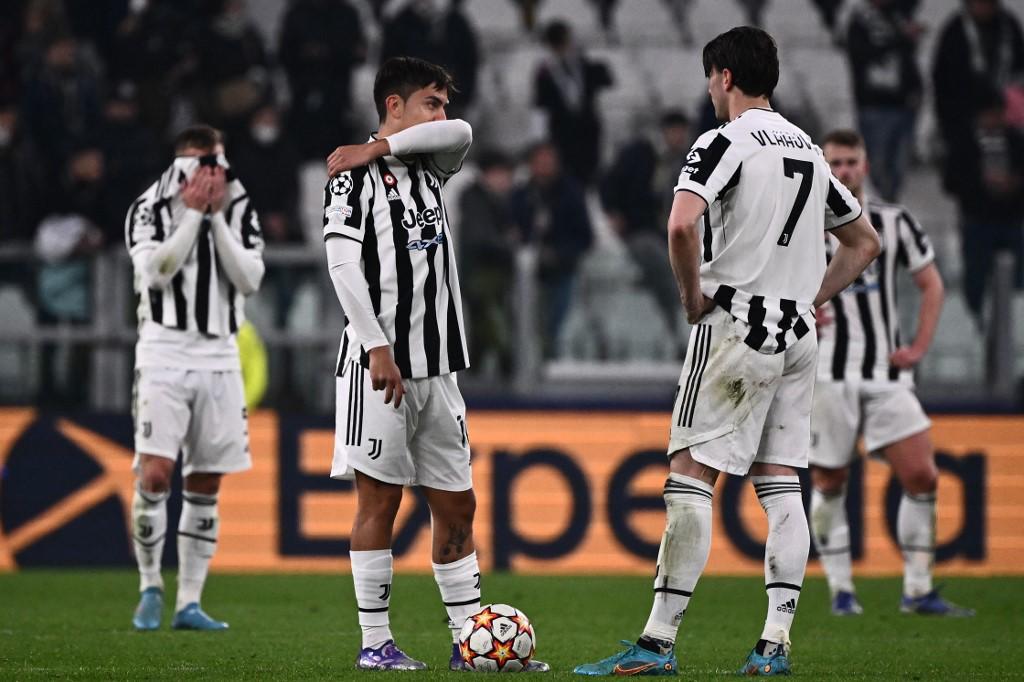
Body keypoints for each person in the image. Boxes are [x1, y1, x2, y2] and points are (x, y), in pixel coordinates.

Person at [574, 27, 880, 677]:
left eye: (711, 78)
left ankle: (657, 644)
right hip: (797, 335)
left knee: (690, 474)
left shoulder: (724, 142)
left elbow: (681, 223)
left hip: (736, 325)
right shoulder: (806, 148)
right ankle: (773, 645)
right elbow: (865, 242)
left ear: (723, 77)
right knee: (780, 483)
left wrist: (692, 298)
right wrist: (810, 296)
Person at [322, 56, 548, 673]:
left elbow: (464, 134)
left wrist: (380, 147)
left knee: (457, 506)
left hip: (439, 369)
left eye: (444, 103)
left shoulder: (430, 165)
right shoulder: (349, 180)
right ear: (393, 105)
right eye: (430, 101)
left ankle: (468, 641)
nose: (442, 114)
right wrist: (376, 346)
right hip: (380, 368)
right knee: (380, 504)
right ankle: (375, 644)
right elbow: (342, 267)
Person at [809, 129, 974, 618]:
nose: (843, 171)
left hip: (886, 373)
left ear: (865, 166)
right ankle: (841, 590)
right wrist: (800, 305)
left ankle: (918, 589)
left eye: (851, 162)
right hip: (826, 373)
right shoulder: (801, 224)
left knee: (922, 474)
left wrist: (919, 346)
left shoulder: (893, 222)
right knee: (830, 480)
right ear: (823, 166)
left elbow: (932, 284)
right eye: (834, 163)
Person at [126, 124, 265, 632]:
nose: (213, 176)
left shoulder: (239, 204)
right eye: (204, 164)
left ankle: (188, 601)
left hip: (221, 354)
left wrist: (217, 220)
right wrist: (191, 218)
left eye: (219, 164)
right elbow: (155, 273)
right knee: (156, 474)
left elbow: (249, 278)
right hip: (163, 351)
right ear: (182, 164)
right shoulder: (150, 207)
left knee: (205, 480)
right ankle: (149, 587)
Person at [600, 110, 692, 336]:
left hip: (672, 234)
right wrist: (614, 212)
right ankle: (681, 320)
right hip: (640, 230)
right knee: (661, 260)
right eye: (674, 132)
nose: (678, 138)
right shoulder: (639, 154)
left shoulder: (687, 160)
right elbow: (609, 183)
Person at [510, 141, 594, 354]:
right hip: (529, 270)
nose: (545, 165)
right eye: (540, 160)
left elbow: (585, 236)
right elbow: (512, 226)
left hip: (563, 269)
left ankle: (552, 354)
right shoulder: (522, 194)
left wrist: (560, 254)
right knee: (529, 318)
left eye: (550, 160)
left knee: (559, 318)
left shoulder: (571, 192)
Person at [846, 0, 925, 201]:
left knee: (898, 168)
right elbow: (862, 56)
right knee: (878, 169)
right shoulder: (860, 21)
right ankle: (880, 213)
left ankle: (888, 210)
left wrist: (916, 89)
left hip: (903, 105)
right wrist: (901, 38)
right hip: (874, 106)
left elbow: (908, 60)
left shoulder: (899, 16)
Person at [458, 149, 518, 376]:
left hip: (493, 277)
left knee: (481, 335)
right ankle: (508, 368)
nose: (505, 180)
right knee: (494, 327)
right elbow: (480, 237)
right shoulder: (475, 198)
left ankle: (479, 377)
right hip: (480, 277)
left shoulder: (502, 199)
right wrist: (509, 243)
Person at [533, 20, 612, 186]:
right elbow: (540, 107)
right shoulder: (545, 71)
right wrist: (540, 140)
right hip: (562, 132)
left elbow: (606, 81)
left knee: (590, 174)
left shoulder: (583, 64)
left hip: (587, 130)